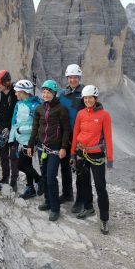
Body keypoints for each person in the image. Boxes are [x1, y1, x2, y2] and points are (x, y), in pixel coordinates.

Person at [70, 85, 113, 235]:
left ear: (96, 99)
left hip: (96, 155)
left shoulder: (104, 115)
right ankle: (89, 208)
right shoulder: (81, 114)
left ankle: (104, 219)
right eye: (85, 98)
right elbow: (76, 133)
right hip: (81, 152)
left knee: (100, 186)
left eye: (90, 98)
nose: (88, 100)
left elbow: (108, 137)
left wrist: (110, 159)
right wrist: (72, 154)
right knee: (84, 182)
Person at [27, 80, 71, 222]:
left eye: (48, 92)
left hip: (55, 148)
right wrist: (30, 145)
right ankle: (47, 201)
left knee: (51, 177)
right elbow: (35, 129)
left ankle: (55, 208)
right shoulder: (39, 109)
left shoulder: (60, 109)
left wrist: (64, 147)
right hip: (41, 147)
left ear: (54, 93)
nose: (45, 94)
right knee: (44, 175)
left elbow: (66, 130)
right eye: (44, 92)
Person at [8, 80, 42, 199]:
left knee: (21, 165)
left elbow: (36, 126)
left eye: (17, 92)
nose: (15, 94)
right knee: (27, 164)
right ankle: (30, 188)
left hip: (30, 141)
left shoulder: (35, 106)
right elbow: (14, 122)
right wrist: (11, 140)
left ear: (23, 92)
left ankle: (39, 180)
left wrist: (21, 130)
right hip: (20, 141)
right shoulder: (18, 104)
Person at [58, 64, 85, 208]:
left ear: (79, 78)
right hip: (65, 136)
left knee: (80, 167)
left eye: (75, 77)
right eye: (70, 77)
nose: (72, 80)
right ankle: (68, 193)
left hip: (80, 137)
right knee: (64, 165)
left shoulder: (85, 93)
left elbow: (96, 108)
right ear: (67, 78)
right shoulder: (62, 94)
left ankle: (81, 199)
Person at [0, 70, 19, 190]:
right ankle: (5, 176)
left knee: (13, 155)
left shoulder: (16, 93)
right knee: (3, 154)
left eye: (0, 84)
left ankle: (14, 180)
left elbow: (19, 113)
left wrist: (11, 128)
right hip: (2, 127)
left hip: (13, 129)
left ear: (7, 82)